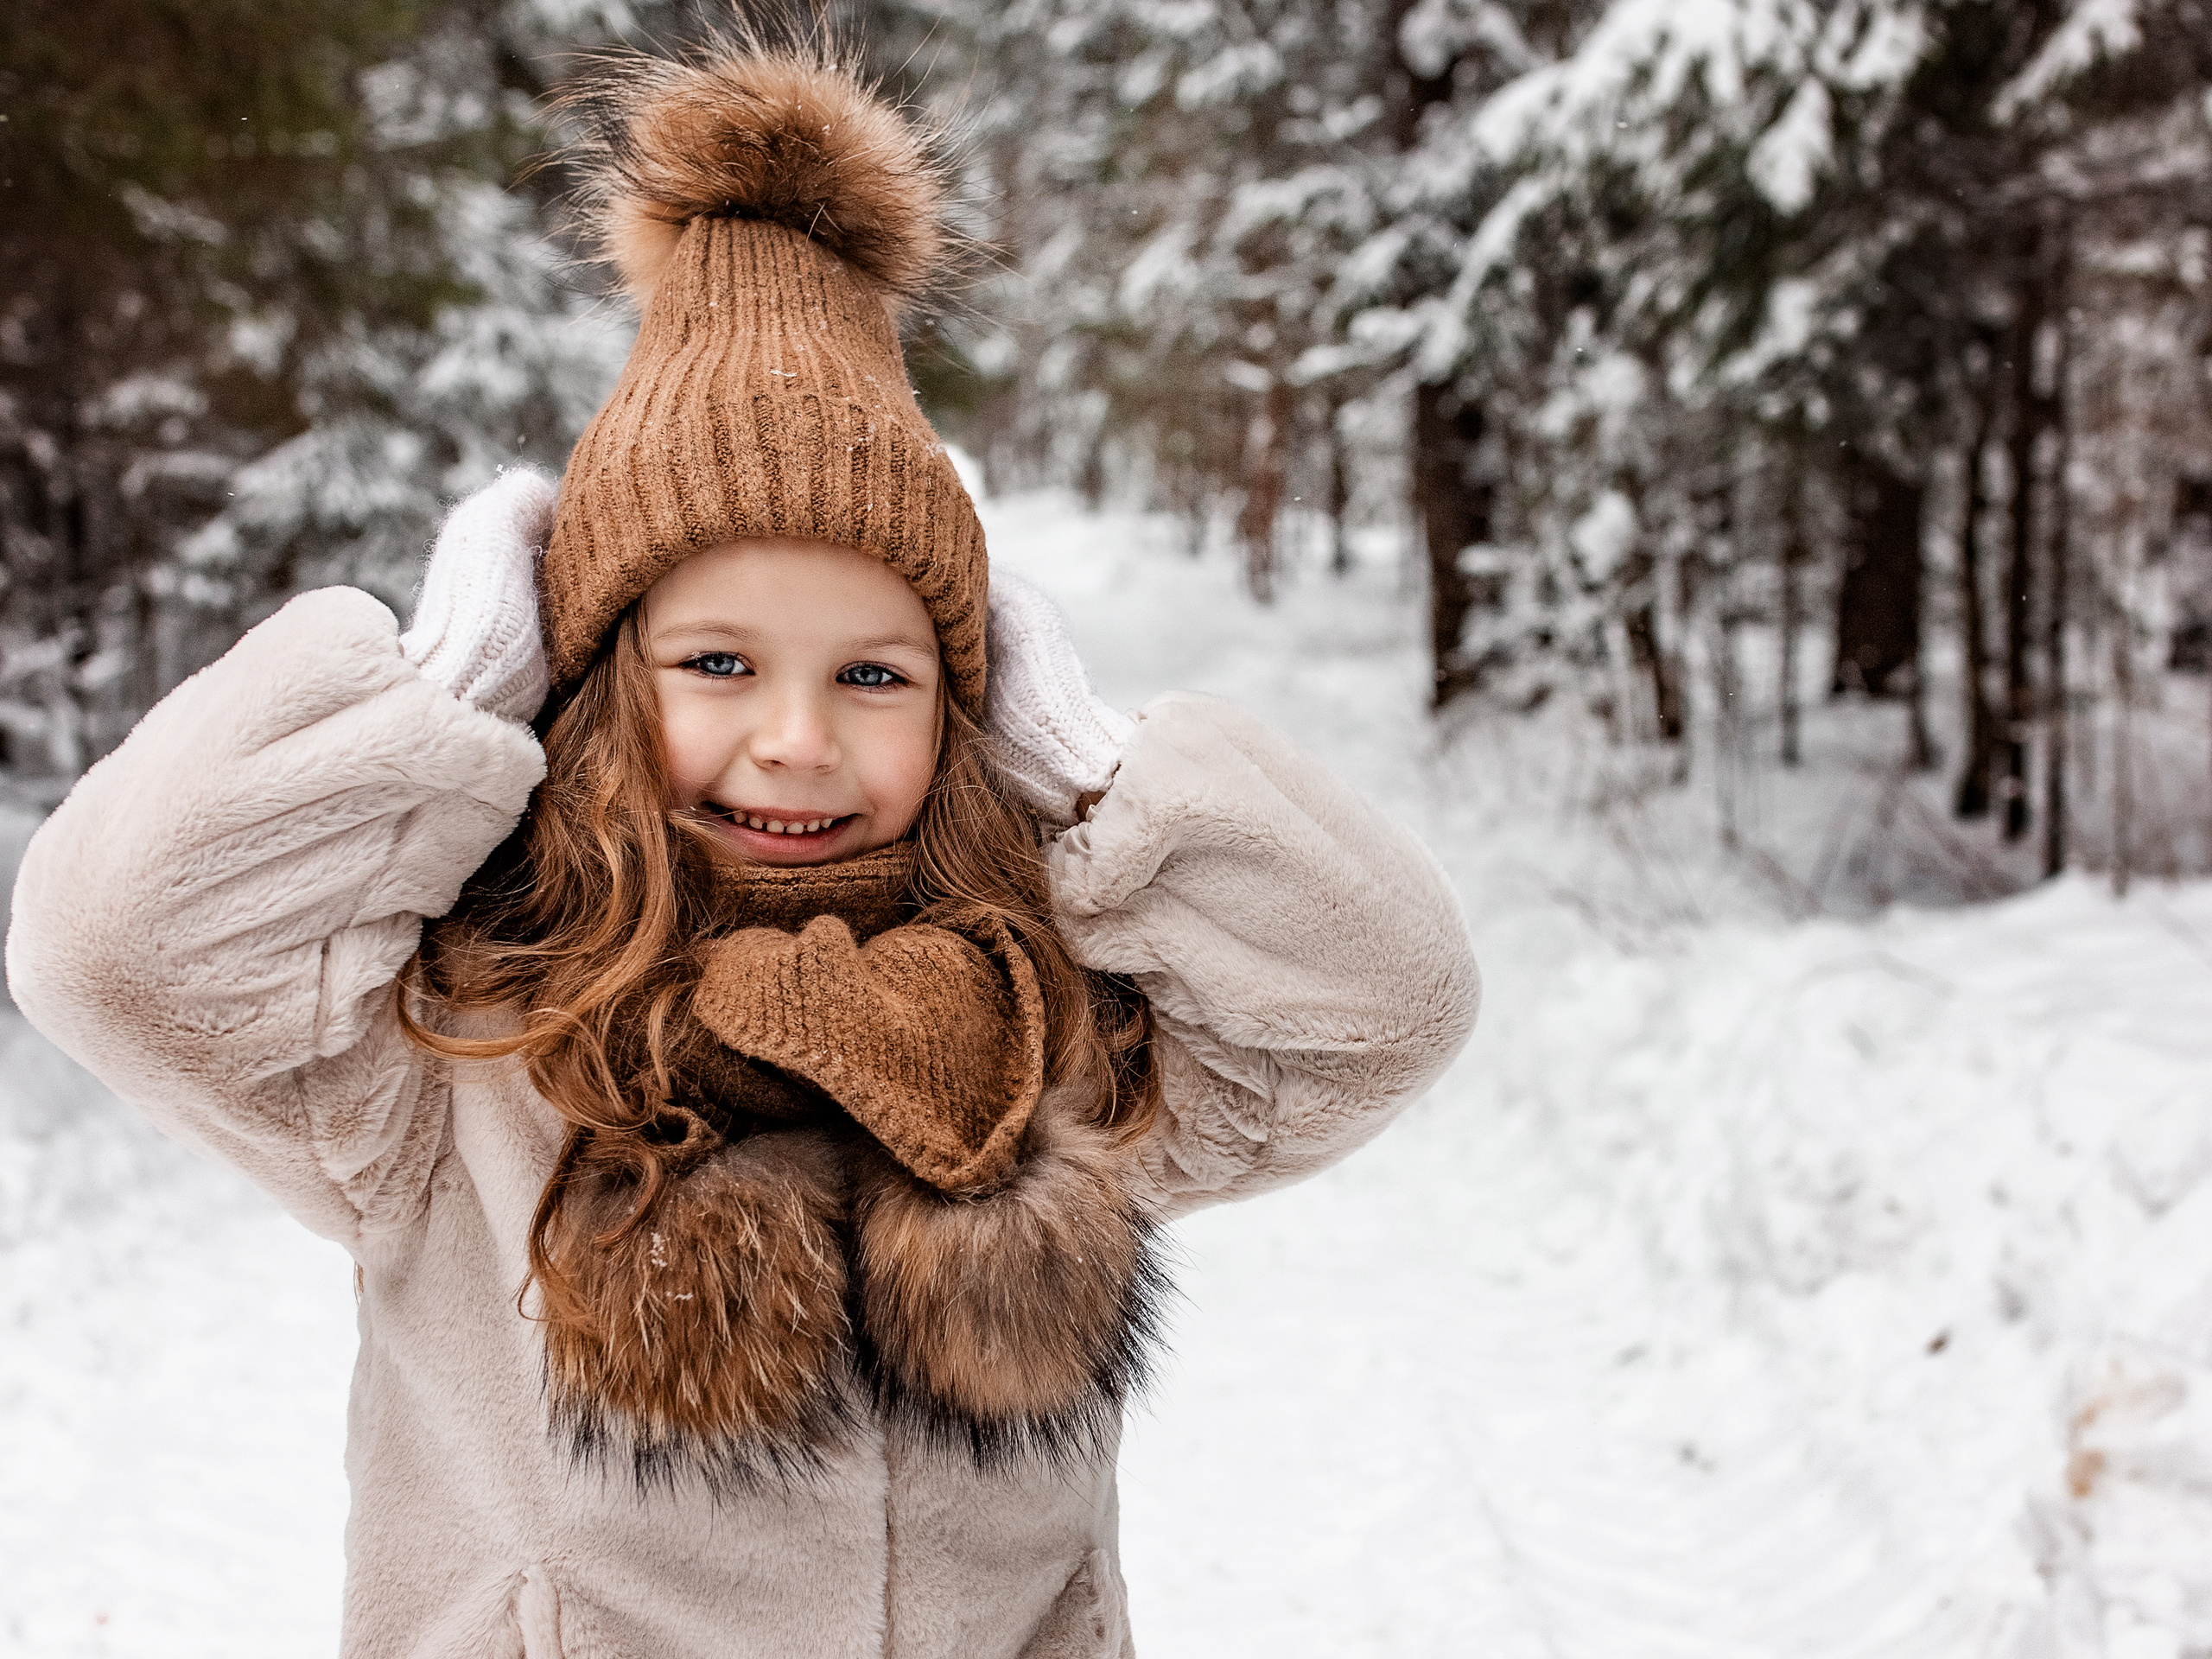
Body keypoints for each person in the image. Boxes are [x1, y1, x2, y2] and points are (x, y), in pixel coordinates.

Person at [6, 40, 1478, 1659]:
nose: (796, 738)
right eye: (717, 663)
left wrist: (1089, 770)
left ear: (964, 702)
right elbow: (107, 945)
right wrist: (447, 687)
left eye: (875, 673)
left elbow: (1392, 1002)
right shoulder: (457, 1050)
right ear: (601, 672)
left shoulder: (1056, 1030)